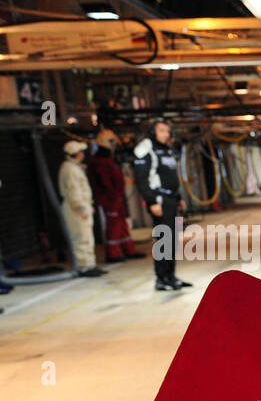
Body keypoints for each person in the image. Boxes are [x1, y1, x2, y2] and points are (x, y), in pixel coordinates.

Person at [132, 120, 192, 291]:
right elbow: (142, 179)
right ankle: (161, 278)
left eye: (168, 131)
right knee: (163, 241)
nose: (166, 134)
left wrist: (179, 197)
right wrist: (151, 201)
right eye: (162, 130)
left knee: (172, 240)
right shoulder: (146, 148)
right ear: (153, 132)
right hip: (159, 200)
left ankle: (171, 276)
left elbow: (170, 175)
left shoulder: (167, 149)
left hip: (172, 199)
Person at [87, 130, 141, 263]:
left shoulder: (107, 159)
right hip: (110, 198)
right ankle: (113, 254)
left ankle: (129, 250)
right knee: (114, 226)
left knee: (122, 225)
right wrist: (112, 195)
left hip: (116, 197)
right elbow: (103, 181)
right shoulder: (99, 161)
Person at [57, 140, 104, 277]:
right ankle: (84, 267)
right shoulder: (69, 169)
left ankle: (90, 264)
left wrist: (88, 204)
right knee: (81, 237)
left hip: (82, 206)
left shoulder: (75, 167)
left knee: (87, 237)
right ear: (76, 154)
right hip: (75, 208)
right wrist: (81, 207)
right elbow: (73, 191)